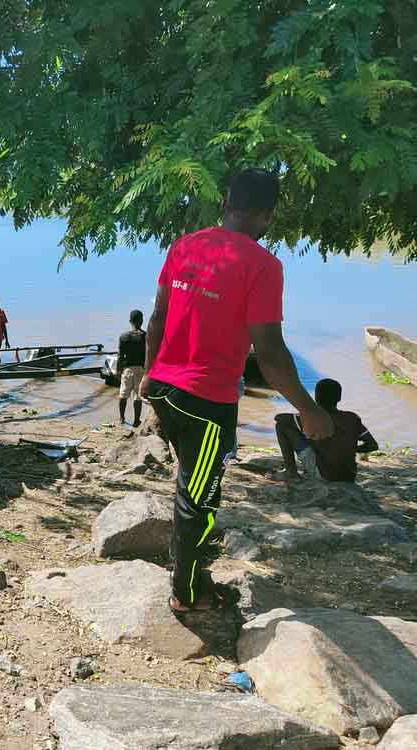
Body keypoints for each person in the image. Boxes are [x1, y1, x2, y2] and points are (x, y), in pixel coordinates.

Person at [141, 168, 334, 612]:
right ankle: (188, 594)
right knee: (200, 500)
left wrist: (150, 375)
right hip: (206, 402)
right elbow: (268, 350)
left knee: (190, 486)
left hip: (166, 391)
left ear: (226, 203)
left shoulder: (185, 246)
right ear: (267, 216)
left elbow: (157, 318)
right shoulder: (263, 266)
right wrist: (308, 409)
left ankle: (187, 574)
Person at [272, 378, 378, 483]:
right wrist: (349, 448)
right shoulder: (352, 418)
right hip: (349, 476)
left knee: (281, 426)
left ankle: (291, 473)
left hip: (324, 475)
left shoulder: (312, 418)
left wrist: (305, 411)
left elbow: (279, 418)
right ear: (339, 398)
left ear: (316, 397)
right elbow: (373, 445)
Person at [117, 309, 147, 426]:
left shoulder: (124, 337)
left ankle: (121, 418)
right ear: (141, 320)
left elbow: (120, 356)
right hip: (141, 369)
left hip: (128, 369)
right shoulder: (145, 337)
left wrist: (118, 371)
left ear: (130, 321)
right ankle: (136, 421)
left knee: (123, 394)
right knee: (138, 397)